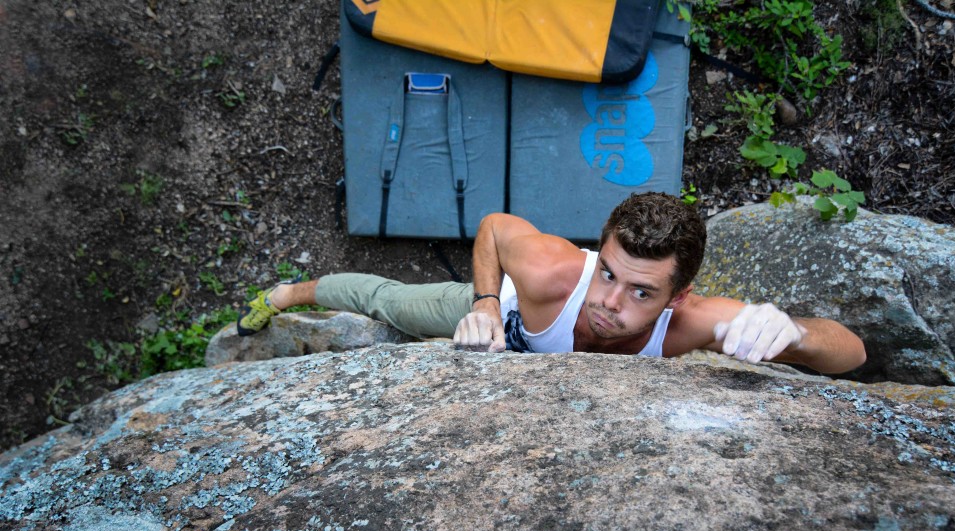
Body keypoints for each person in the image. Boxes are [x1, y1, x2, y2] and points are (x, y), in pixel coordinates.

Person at [237, 192, 866, 374]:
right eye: (610, 274)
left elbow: (851, 351)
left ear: (677, 299)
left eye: (641, 293)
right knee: (389, 303)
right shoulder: (551, 275)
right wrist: (485, 302)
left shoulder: (694, 324)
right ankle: (289, 295)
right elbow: (493, 226)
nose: (608, 303)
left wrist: (797, 333)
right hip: (504, 317)